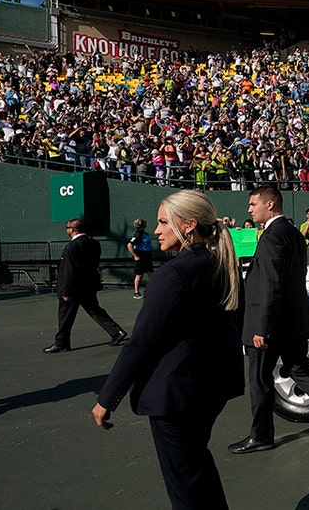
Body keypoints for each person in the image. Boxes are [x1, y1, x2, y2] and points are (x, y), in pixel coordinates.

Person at [92, 191, 244, 509]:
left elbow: (141, 342)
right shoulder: (221, 264)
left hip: (175, 397)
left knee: (184, 488)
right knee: (198, 469)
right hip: (210, 390)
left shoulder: (173, 274)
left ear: (188, 226)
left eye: (163, 222)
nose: (157, 230)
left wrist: (107, 398)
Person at [228, 185, 309, 454]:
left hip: (272, 322)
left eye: (253, 204)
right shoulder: (294, 233)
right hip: (294, 319)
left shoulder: (274, 236)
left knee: (260, 379)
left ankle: (261, 435)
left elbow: (270, 284)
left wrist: (261, 327)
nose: (249, 209)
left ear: (270, 205)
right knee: (299, 367)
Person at [44, 218, 128, 353]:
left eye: (67, 227)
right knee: (95, 310)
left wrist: (66, 290)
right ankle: (116, 332)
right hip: (88, 285)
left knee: (65, 316)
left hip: (73, 288)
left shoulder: (72, 247)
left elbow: (69, 270)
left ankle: (62, 343)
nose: (66, 230)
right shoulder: (94, 244)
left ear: (72, 230)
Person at [128, 218, 154, 299]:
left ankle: (152, 290)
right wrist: (136, 256)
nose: (146, 224)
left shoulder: (144, 233)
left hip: (147, 255)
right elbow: (129, 245)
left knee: (150, 273)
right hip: (140, 256)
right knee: (139, 275)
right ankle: (136, 293)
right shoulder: (138, 234)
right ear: (142, 225)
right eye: (145, 223)